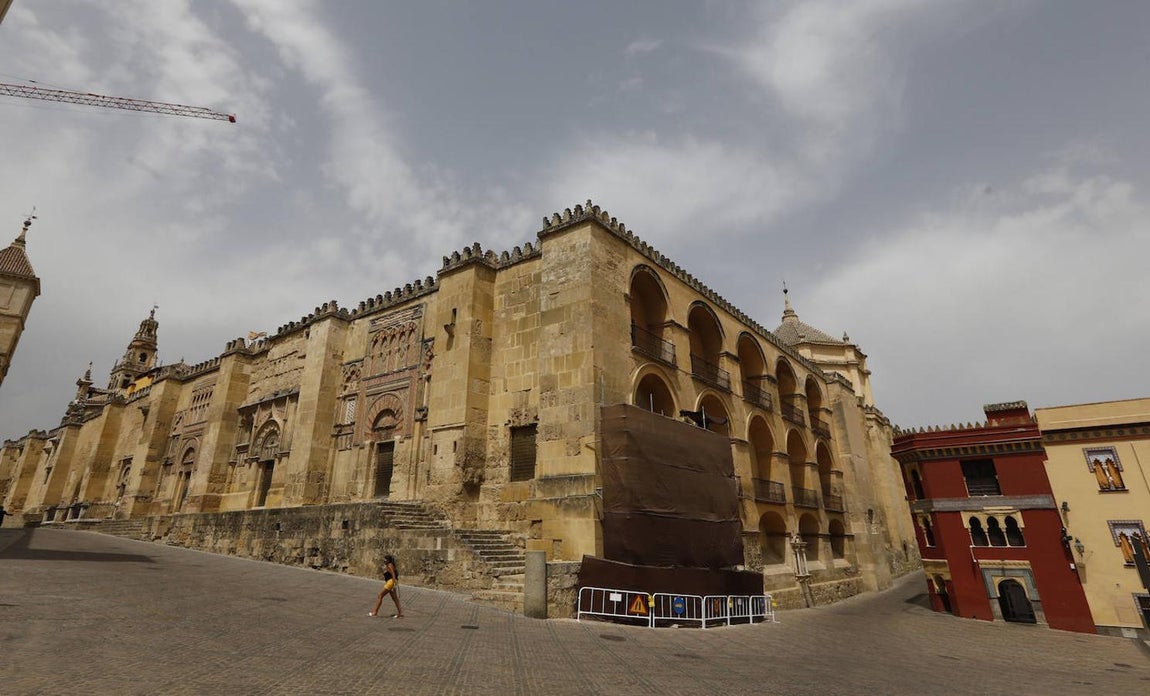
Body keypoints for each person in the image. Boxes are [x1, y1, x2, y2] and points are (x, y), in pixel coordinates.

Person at [368, 554, 403, 618]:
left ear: (388, 560)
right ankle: (400, 613)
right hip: (391, 582)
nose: (384, 560)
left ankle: (375, 612)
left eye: (385, 559)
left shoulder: (389, 565)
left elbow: (393, 574)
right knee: (395, 598)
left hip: (390, 582)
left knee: (380, 596)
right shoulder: (389, 565)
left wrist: (394, 585)